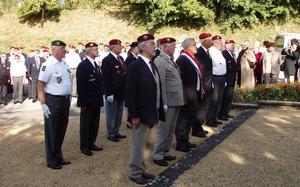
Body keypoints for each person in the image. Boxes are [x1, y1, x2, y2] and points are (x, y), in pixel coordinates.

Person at [126, 34, 165, 185]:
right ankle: (134, 172)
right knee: (138, 143)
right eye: (151, 44)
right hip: (141, 114)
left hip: (152, 111)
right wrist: (133, 115)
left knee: (149, 143)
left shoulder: (151, 63)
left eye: (154, 43)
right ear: (142, 48)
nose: (154, 46)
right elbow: (130, 93)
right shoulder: (135, 66)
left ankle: (143, 169)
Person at [37, 40, 72, 170]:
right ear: (54, 50)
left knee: (61, 129)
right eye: (62, 48)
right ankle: (51, 160)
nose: (65, 50)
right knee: (52, 130)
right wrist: (43, 104)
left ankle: (58, 155)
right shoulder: (48, 65)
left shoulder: (65, 64)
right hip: (53, 101)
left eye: (65, 48)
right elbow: (40, 84)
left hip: (64, 101)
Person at [153, 37, 184, 166]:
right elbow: (160, 84)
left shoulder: (169, 60)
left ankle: (165, 151)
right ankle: (158, 154)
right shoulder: (160, 60)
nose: (175, 47)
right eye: (172, 45)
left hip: (175, 100)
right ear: (164, 47)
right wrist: (163, 102)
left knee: (171, 128)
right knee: (164, 129)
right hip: (168, 101)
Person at [175, 38, 202, 152]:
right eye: (194, 45)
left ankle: (185, 140)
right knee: (183, 119)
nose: (196, 47)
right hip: (186, 94)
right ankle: (181, 143)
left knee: (189, 118)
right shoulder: (182, 59)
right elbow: (179, 79)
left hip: (192, 94)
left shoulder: (191, 58)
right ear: (188, 47)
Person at [77, 42, 104, 156]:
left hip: (96, 99)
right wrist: (82, 103)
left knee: (94, 123)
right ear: (88, 51)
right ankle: (84, 146)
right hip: (87, 101)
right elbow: (81, 86)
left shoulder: (95, 64)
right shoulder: (83, 65)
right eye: (95, 49)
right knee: (86, 124)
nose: (97, 51)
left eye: (97, 49)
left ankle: (91, 142)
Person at [102, 39, 127, 142]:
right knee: (111, 114)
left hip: (121, 91)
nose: (121, 48)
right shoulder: (107, 60)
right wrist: (109, 93)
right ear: (113, 47)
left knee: (119, 113)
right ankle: (111, 133)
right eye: (119, 46)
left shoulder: (120, 58)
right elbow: (106, 78)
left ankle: (116, 131)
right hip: (112, 91)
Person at [193, 32, 213, 137]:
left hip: (208, 84)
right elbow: (199, 71)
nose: (212, 42)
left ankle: (199, 126)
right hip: (203, 86)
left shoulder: (206, 52)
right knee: (200, 109)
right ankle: (196, 128)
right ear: (204, 42)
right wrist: (201, 86)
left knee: (204, 108)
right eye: (210, 40)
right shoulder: (199, 53)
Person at [206, 35, 227, 126]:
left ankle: (215, 117)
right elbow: (210, 67)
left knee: (219, 99)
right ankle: (210, 119)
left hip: (221, 77)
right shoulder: (211, 51)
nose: (219, 43)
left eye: (220, 41)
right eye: (217, 41)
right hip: (215, 77)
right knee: (214, 100)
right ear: (213, 42)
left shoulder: (219, 52)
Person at [219, 40, 238, 120]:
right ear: (226, 46)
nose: (233, 47)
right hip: (227, 79)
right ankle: (222, 114)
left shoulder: (232, 54)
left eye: (233, 45)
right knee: (225, 98)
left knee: (229, 98)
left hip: (232, 79)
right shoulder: (224, 54)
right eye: (231, 45)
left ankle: (226, 112)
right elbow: (225, 68)